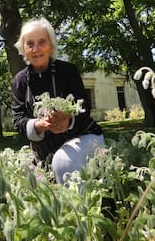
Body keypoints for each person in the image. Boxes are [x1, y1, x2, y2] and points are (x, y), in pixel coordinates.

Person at [11, 17, 104, 184]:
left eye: (42, 42)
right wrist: (39, 125)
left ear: (51, 45)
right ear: (23, 48)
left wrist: (67, 121)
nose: (36, 48)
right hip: (44, 148)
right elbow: (18, 120)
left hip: (84, 136)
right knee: (24, 180)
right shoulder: (20, 81)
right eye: (30, 43)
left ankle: (79, 208)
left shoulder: (67, 71)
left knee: (62, 162)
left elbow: (84, 109)